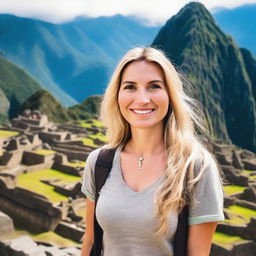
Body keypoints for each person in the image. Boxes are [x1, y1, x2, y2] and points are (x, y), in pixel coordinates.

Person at [81, 47, 224, 256]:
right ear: (117, 94)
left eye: (154, 86)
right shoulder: (99, 163)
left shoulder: (195, 168)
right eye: (130, 87)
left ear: (170, 94)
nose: (142, 99)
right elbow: (91, 241)